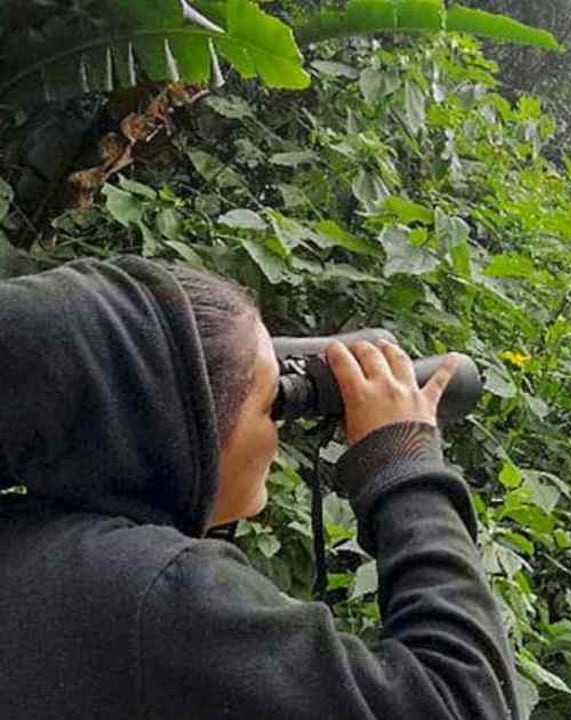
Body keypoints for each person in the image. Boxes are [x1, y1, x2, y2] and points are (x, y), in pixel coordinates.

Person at [0, 255, 521, 719]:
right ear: (189, 428)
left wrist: (252, 362)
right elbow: (464, 701)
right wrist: (402, 460)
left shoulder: (37, 538)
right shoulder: (146, 595)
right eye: (274, 402)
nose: (281, 425)